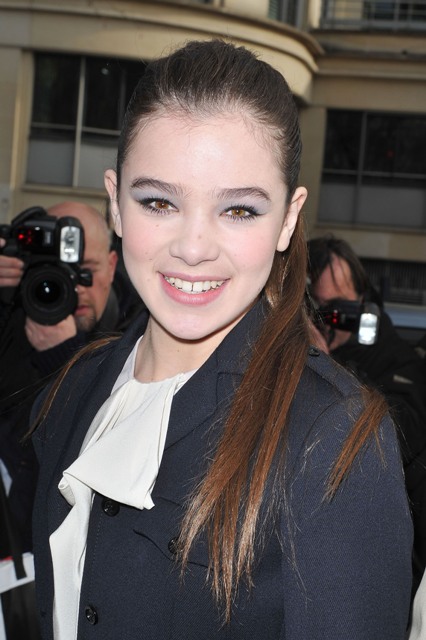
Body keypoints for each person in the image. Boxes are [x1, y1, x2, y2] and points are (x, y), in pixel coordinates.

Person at [31, 40, 413, 640]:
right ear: (115, 202)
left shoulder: (333, 437)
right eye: (158, 201)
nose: (193, 247)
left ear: (289, 218)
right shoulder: (75, 385)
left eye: (238, 211)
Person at [0, 202, 120, 639]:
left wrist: (65, 358)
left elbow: (108, 456)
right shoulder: (8, 325)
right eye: (50, 269)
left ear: (112, 266)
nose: (68, 285)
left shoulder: (141, 339)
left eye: (83, 271)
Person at [307, 233, 426, 589]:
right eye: (318, 307)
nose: (330, 319)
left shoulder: (395, 360)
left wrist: (328, 368)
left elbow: (401, 436)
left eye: (340, 308)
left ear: (362, 302)